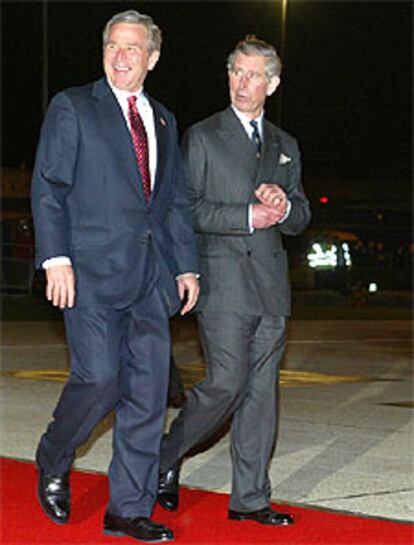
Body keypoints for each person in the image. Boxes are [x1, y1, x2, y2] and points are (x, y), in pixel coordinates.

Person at [31, 10, 199, 543]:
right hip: (90, 276)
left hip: (152, 281)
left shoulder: (166, 121)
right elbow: (50, 185)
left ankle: (127, 509)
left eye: (132, 48)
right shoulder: (74, 107)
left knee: (148, 397)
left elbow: (172, 203)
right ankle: (54, 456)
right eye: (112, 46)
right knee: (99, 379)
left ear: (152, 58)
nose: (120, 56)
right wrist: (55, 257)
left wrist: (187, 264)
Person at [157, 35, 311, 527]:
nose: (241, 84)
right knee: (226, 383)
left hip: (271, 289)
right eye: (235, 73)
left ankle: (250, 498)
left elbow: (301, 216)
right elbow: (187, 208)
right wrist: (248, 214)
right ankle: (163, 457)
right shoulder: (203, 136)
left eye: (252, 75)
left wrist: (285, 207)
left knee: (262, 395)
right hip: (223, 283)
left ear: (273, 83)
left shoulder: (286, 146)